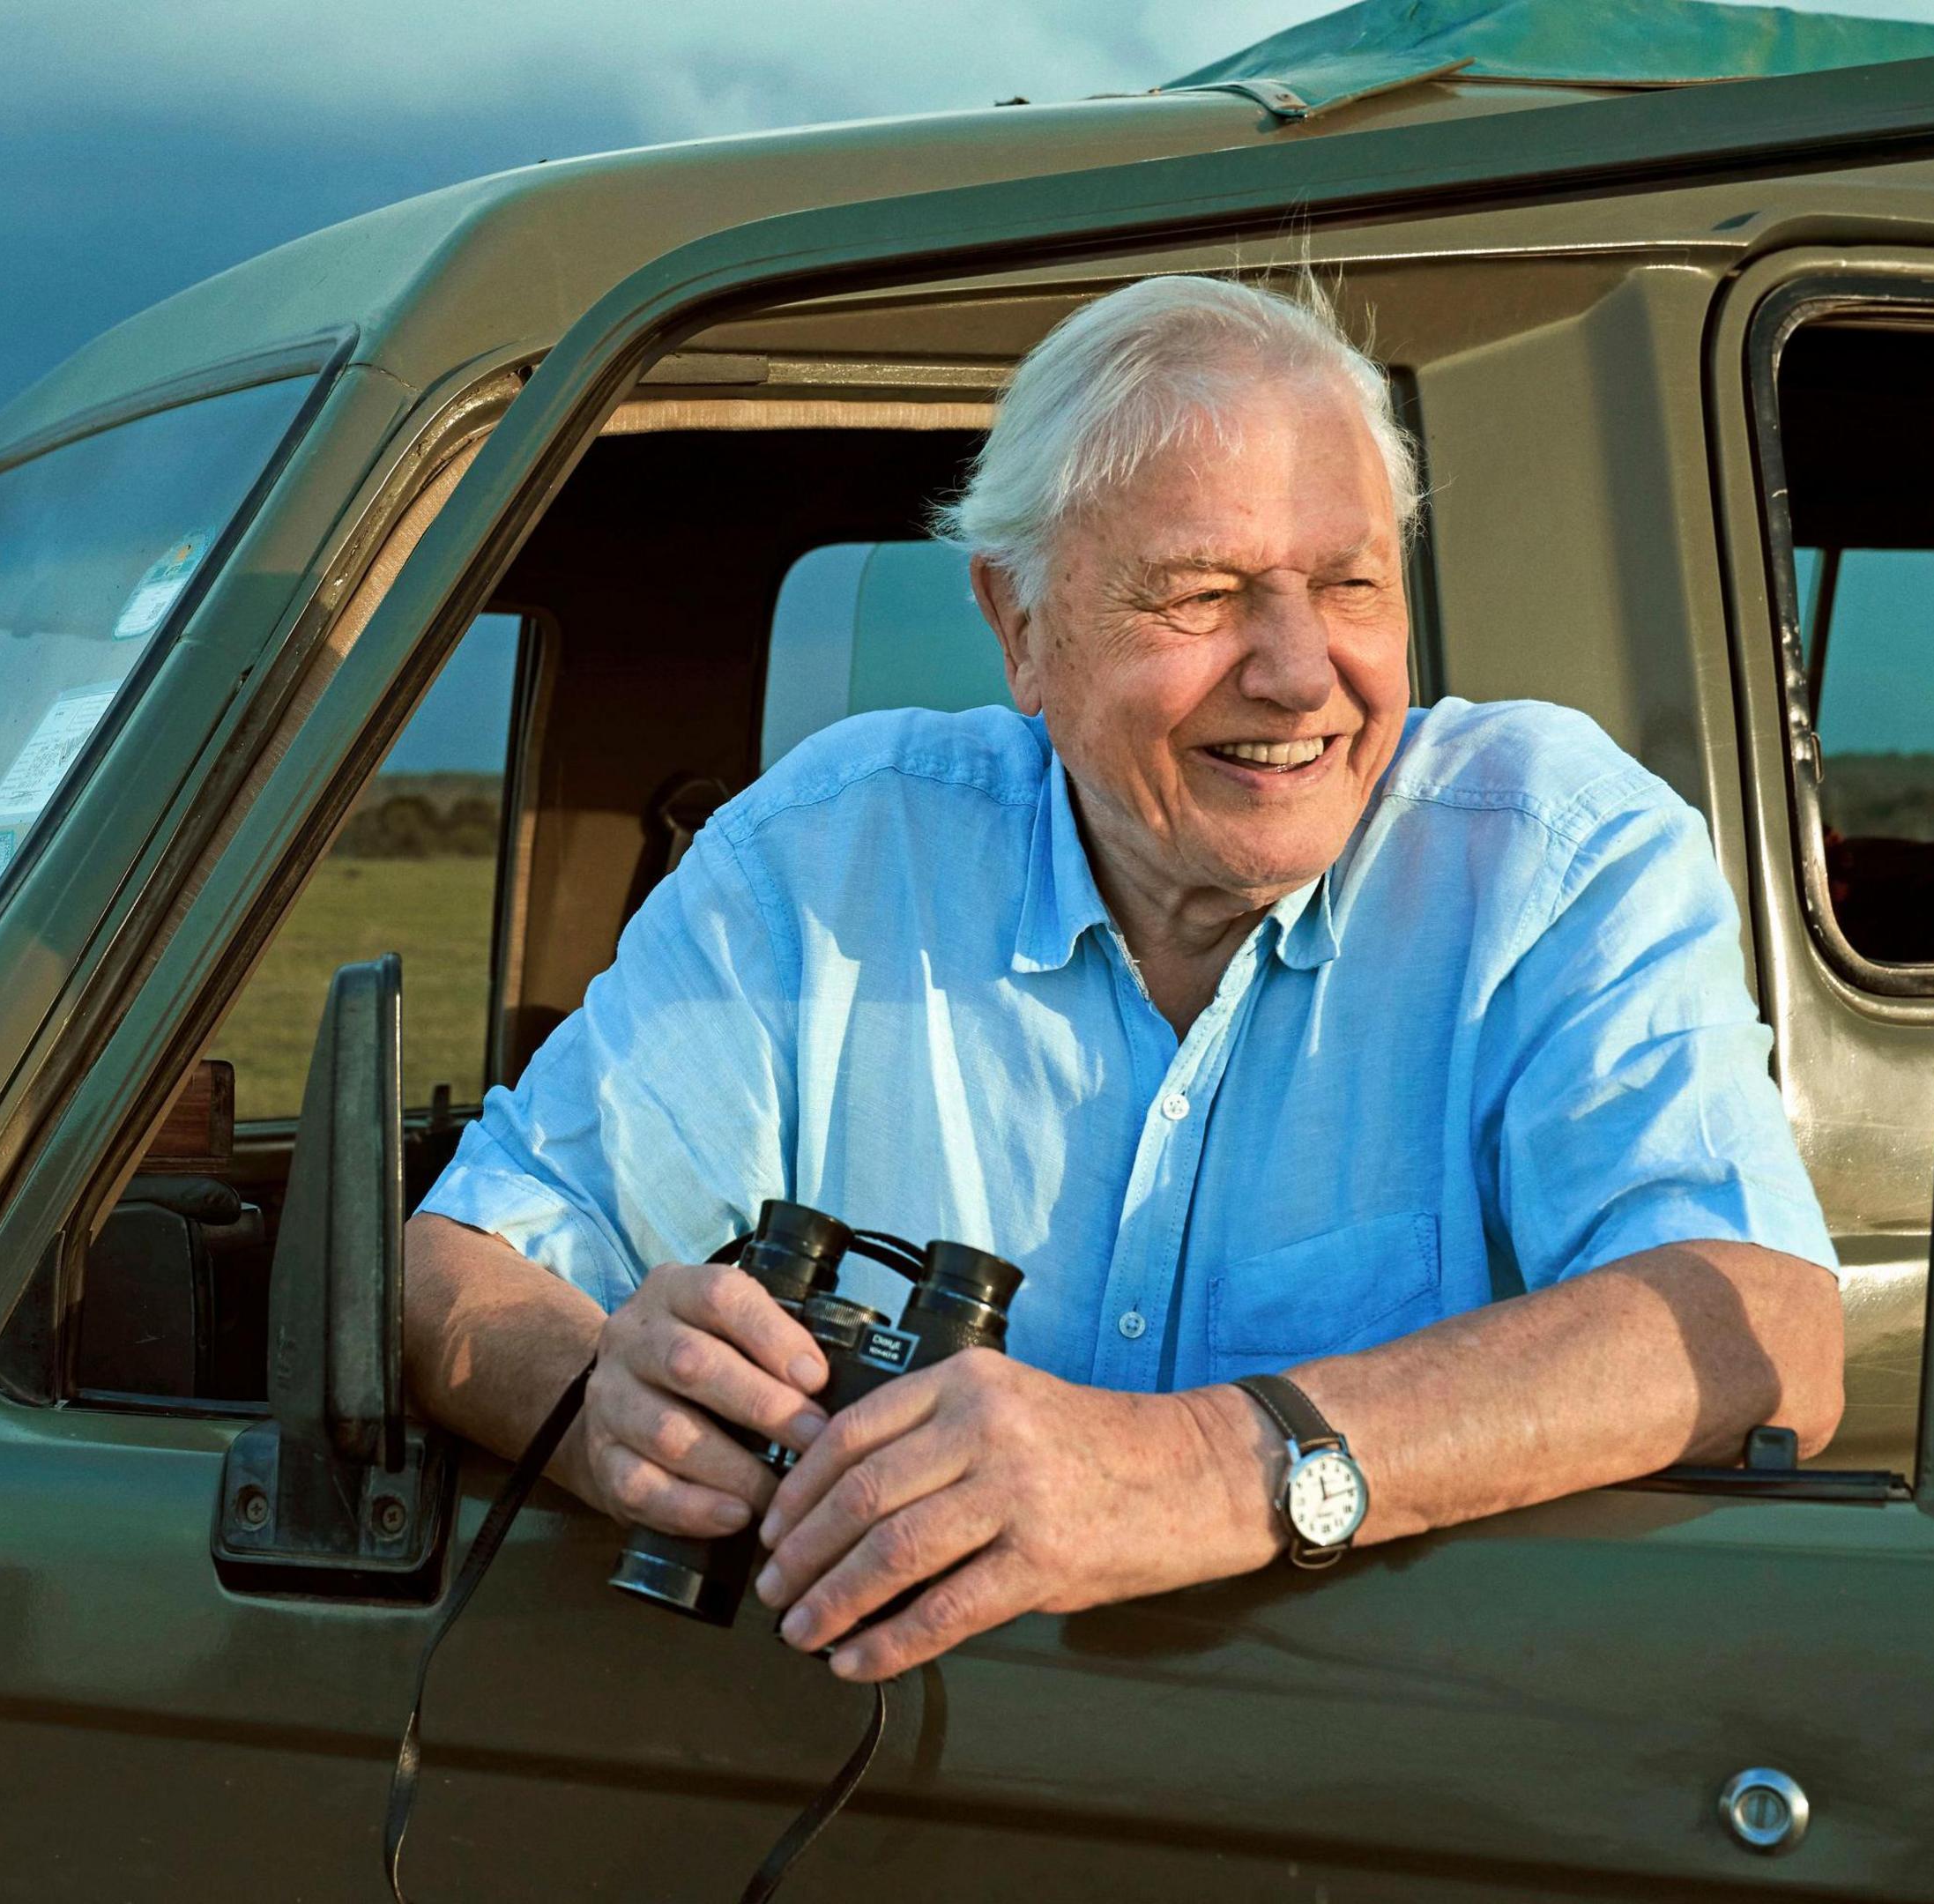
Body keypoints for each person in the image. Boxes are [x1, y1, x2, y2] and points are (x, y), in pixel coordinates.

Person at [403, 273, 1844, 1684]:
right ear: (1020, 628)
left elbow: (1760, 1326)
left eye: (1350, 585)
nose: (1297, 672)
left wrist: (1206, 1468)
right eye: (1202, 595)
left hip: (1390, 1785)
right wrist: (602, 1411)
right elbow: (454, 1263)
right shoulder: (830, 855)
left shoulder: (1550, 853)